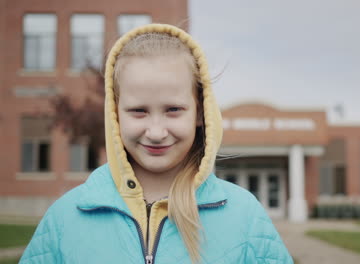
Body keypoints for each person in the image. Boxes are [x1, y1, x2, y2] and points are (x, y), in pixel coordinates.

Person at [20, 24, 293, 264]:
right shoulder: (65, 218)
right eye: (138, 110)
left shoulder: (244, 217)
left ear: (200, 112)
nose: (156, 131)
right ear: (115, 114)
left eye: (173, 109)